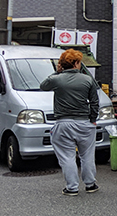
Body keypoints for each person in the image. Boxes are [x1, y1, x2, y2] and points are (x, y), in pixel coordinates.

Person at [40, 49, 100, 196]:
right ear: (76, 63)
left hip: (63, 123)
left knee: (67, 156)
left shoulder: (57, 79)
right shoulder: (88, 79)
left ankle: (72, 187)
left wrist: (57, 72)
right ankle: (90, 184)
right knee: (87, 155)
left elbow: (43, 85)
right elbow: (94, 102)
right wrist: (92, 119)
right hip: (85, 123)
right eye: (79, 62)